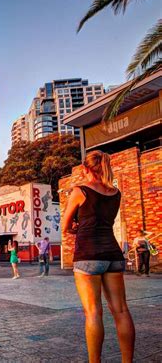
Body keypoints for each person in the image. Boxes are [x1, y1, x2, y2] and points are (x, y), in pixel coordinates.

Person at [62, 150, 135, 363]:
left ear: (85, 169)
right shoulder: (115, 193)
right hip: (112, 253)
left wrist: (76, 228)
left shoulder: (80, 190)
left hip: (88, 256)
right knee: (121, 310)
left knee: (93, 313)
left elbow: (66, 225)